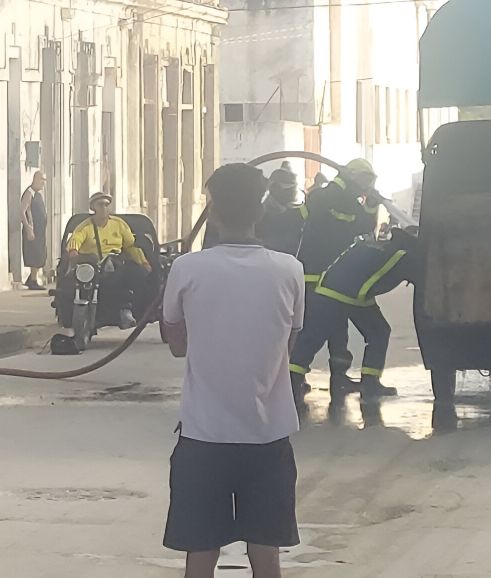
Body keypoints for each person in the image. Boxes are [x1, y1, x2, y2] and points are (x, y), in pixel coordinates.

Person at [161, 163, 303, 578]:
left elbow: (176, 344)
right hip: (268, 438)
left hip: (204, 439)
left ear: (214, 212)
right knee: (266, 557)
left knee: (201, 557)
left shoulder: (187, 268)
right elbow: (287, 344)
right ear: (260, 211)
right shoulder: (290, 270)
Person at [289, 228, 418, 403]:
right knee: (315, 338)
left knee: (316, 337)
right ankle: (292, 383)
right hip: (342, 295)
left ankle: (293, 383)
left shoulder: (379, 247)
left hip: (336, 290)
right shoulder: (404, 256)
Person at [290, 159, 379, 398]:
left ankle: (338, 378)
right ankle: (294, 380)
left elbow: (365, 225)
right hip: (315, 277)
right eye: (364, 181)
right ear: (352, 177)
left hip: (333, 278)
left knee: (338, 330)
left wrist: (371, 205)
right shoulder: (324, 197)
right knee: (311, 329)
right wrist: (363, 203)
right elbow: (354, 222)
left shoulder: (347, 201)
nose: (366, 186)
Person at [66, 191, 153, 329]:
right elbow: (75, 239)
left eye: (106, 205)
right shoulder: (85, 226)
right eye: (100, 205)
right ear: (92, 207)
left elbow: (131, 246)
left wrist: (143, 262)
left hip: (116, 263)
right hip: (92, 266)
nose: (104, 208)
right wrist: (73, 251)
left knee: (137, 274)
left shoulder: (119, 224)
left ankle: (128, 310)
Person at [21, 171, 48, 290]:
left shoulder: (38, 194)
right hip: (33, 230)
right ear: (35, 179)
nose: (43, 183)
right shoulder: (29, 193)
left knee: (40, 255)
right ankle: (32, 281)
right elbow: (22, 211)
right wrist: (28, 228)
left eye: (44, 180)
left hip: (40, 231)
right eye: (41, 180)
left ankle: (32, 278)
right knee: (35, 256)